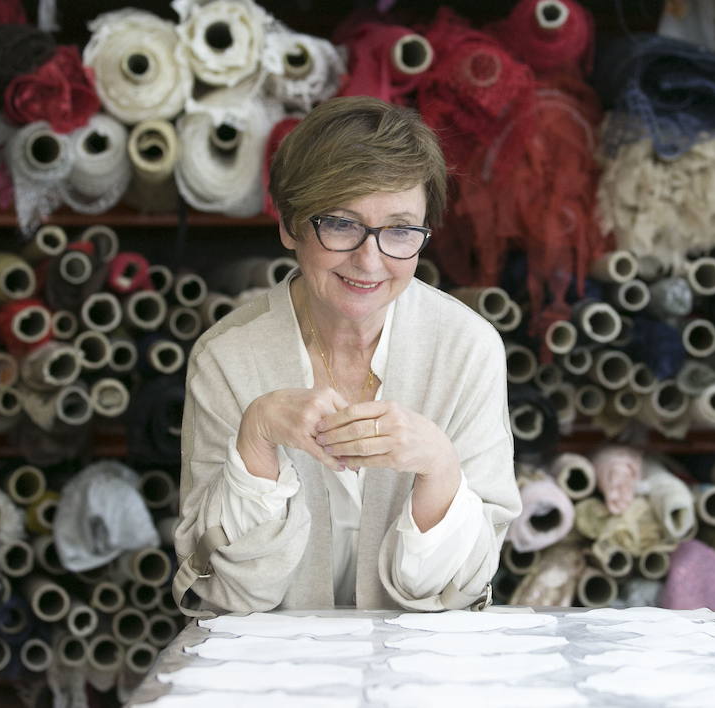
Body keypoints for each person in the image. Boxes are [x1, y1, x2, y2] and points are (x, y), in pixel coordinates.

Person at [172, 96, 521, 613]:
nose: (369, 259)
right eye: (340, 223)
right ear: (290, 225)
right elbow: (228, 591)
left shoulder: (468, 349)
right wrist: (257, 440)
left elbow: (460, 592)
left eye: (400, 229)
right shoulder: (226, 358)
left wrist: (440, 468)